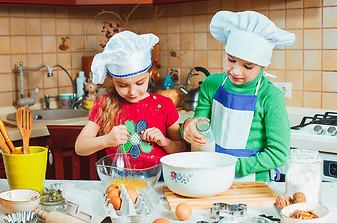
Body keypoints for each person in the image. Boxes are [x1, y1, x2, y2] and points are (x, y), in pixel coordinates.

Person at [182, 11, 295, 182]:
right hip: (210, 176)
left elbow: (279, 154)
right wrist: (189, 126)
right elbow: (200, 125)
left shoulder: (271, 96)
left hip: (253, 182)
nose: (235, 70)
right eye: (231, 60)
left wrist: (232, 167)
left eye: (248, 66)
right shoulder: (211, 84)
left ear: (262, 66)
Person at [75, 31, 186, 169]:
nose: (132, 92)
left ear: (150, 74)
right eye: (122, 85)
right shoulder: (104, 105)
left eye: (140, 83)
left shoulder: (164, 104)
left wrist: (164, 141)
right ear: (112, 79)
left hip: (158, 180)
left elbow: (182, 150)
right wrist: (106, 140)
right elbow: (80, 147)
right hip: (120, 182)